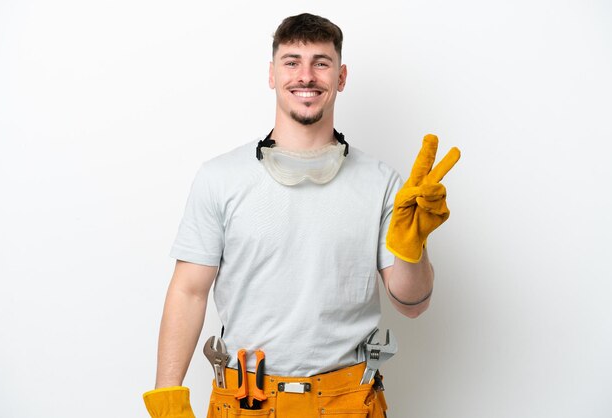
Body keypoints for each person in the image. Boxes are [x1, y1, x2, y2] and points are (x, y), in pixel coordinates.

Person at [143, 12, 460, 418]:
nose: (306, 76)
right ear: (272, 74)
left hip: (348, 403)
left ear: (341, 77)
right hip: (246, 403)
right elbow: (189, 290)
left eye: (321, 63)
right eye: (292, 62)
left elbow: (412, 304)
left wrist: (413, 247)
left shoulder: (383, 183)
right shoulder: (219, 178)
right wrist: (166, 398)